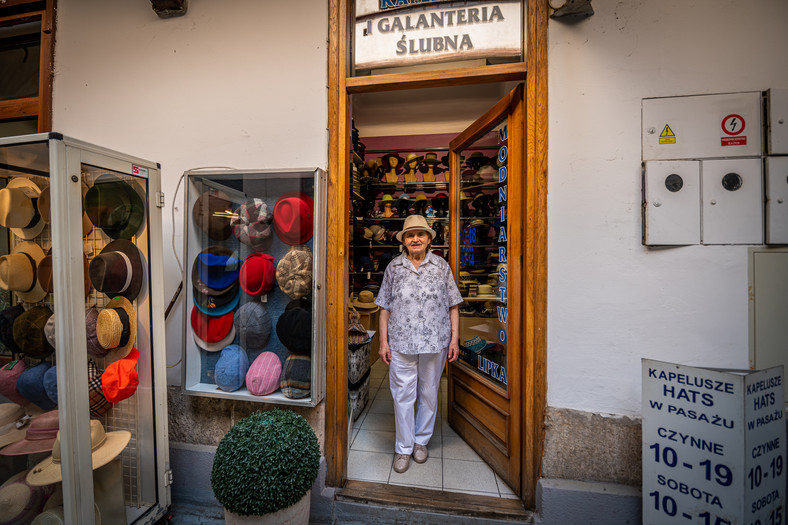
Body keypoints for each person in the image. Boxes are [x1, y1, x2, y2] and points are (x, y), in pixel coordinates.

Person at [375, 214, 463, 473]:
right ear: (403, 240)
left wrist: (454, 339)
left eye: (420, 234)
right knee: (402, 395)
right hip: (401, 342)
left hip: (435, 341)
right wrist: (383, 342)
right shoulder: (394, 267)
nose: (415, 238)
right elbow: (384, 307)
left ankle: (420, 441)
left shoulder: (441, 266)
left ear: (428, 239)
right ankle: (403, 448)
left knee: (429, 391)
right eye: (410, 235)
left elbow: (453, 305)